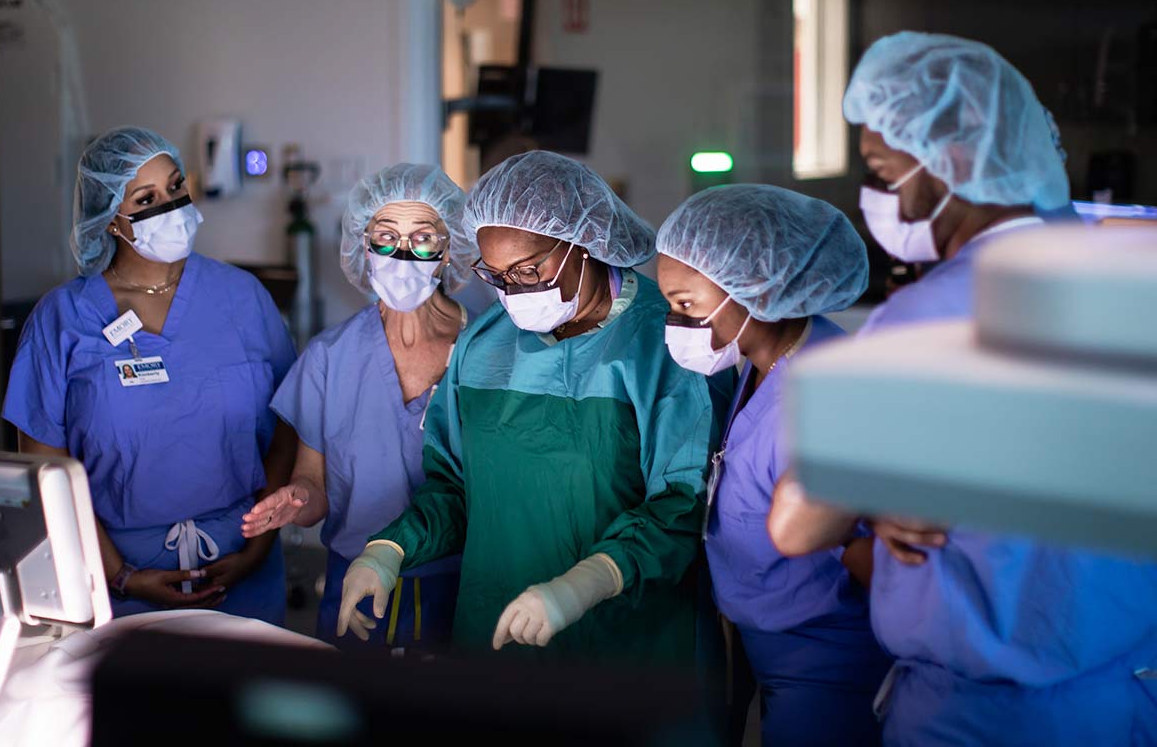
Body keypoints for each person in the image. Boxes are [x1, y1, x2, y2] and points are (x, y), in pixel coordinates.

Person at [767, 32, 1157, 745]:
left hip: (980, 717)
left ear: (949, 161)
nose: (878, 195)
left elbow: (796, 527)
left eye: (883, 171)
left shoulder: (924, 319)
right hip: (1119, 696)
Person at [337, 151, 731, 665]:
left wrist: (594, 578)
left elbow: (683, 505)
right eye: (496, 276)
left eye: (527, 270)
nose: (513, 292)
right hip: (498, 630)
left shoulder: (667, 343)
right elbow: (455, 487)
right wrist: (389, 550)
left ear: (583, 244)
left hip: (629, 646)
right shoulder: (484, 345)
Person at [4, 126, 297, 625]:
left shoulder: (242, 297)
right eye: (146, 199)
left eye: (175, 186)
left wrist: (256, 548)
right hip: (114, 582)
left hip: (242, 568)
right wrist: (121, 575)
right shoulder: (63, 319)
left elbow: (289, 427)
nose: (171, 206)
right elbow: (46, 468)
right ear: (109, 220)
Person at [656, 184, 888, 746]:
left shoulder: (825, 396)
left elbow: (876, 557)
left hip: (826, 658)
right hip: (766, 640)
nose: (675, 322)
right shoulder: (764, 362)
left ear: (756, 287)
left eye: (687, 304)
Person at [241, 163, 479, 652]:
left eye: (423, 238)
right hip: (356, 586)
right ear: (363, 246)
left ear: (448, 250)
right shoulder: (330, 357)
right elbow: (314, 487)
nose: (402, 254)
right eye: (386, 237)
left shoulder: (485, 351)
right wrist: (298, 499)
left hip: (461, 587)